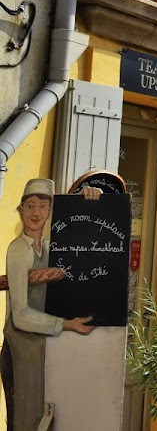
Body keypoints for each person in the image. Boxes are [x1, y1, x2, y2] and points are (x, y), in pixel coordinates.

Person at [2, 179, 99, 431]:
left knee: (46, 418)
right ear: (20, 210)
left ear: (50, 212)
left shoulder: (50, 248)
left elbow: (83, 234)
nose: (36, 212)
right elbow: (21, 315)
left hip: (43, 341)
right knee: (26, 421)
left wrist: (91, 199)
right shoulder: (18, 250)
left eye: (43, 206)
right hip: (22, 345)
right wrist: (66, 324)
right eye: (30, 205)